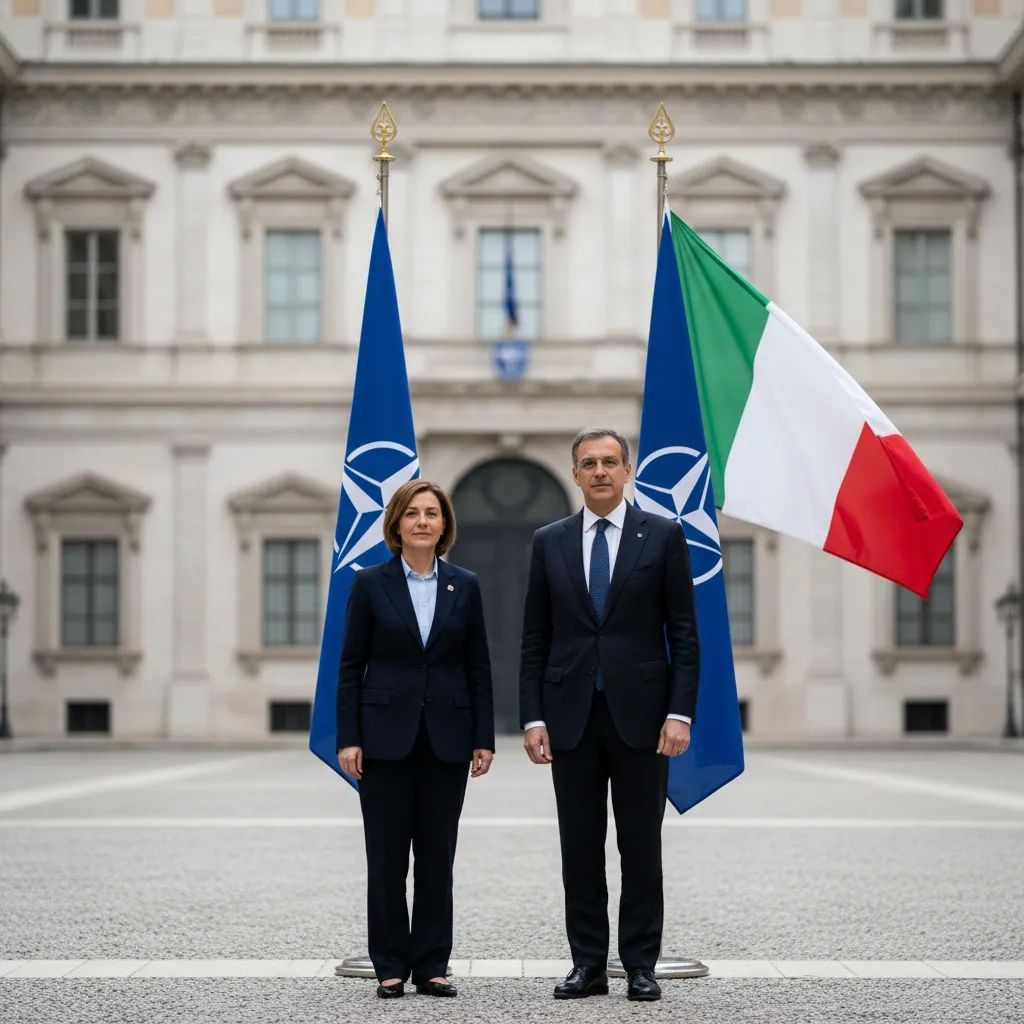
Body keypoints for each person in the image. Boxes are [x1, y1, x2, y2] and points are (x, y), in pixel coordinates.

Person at [519, 428, 699, 1003]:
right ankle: (587, 964)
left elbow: (684, 635)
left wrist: (680, 713)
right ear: (574, 474)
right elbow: (533, 638)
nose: (599, 471)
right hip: (570, 715)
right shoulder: (549, 541)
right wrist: (532, 717)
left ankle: (640, 963)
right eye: (588, 463)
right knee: (580, 845)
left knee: (641, 844)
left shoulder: (664, 536)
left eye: (610, 462)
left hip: (644, 718)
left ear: (628, 471)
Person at [337, 479, 495, 999]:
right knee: (385, 857)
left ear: (445, 525)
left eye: (432, 513)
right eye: (413, 513)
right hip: (383, 740)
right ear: (397, 525)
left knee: (436, 858)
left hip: (447, 740)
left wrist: (483, 737)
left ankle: (431, 964)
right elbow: (350, 667)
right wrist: (349, 737)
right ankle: (388, 963)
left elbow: (478, 667)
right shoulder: (369, 584)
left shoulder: (464, 584)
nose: (423, 521)